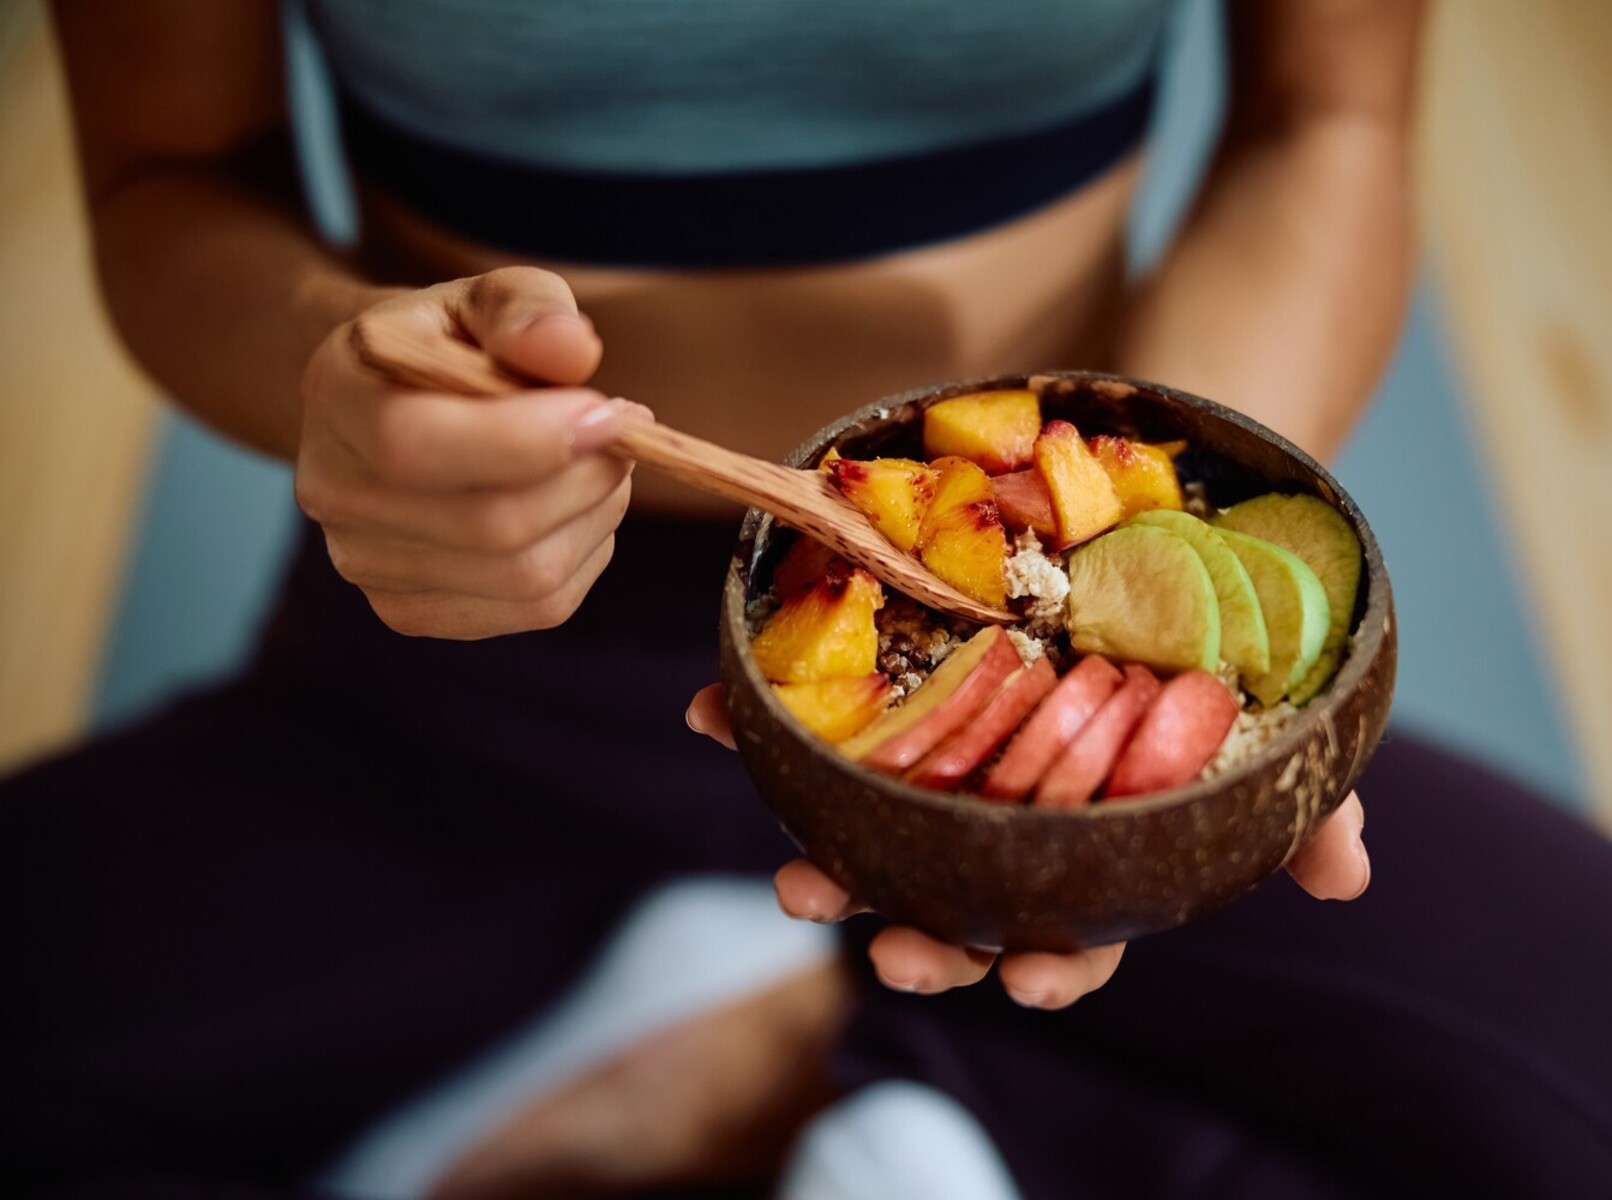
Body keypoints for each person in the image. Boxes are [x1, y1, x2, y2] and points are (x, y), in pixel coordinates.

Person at [4, 1, 1610, 1197]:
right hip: (472, 623)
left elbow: (1326, 122)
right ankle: (891, 1077)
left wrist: (1154, 606)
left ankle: (745, 1067)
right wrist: (332, 376)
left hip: (1060, 655)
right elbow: (169, 175)